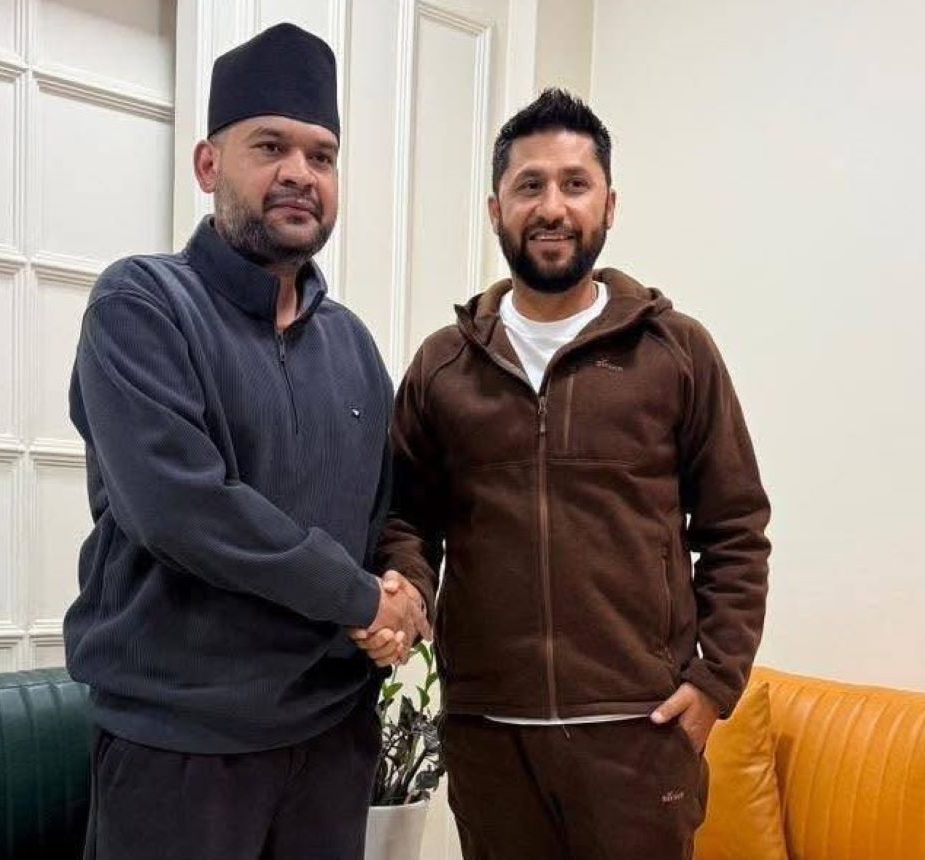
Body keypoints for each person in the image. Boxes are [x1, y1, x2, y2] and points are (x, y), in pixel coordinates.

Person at [375, 88, 772, 859]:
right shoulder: (443, 366)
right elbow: (405, 519)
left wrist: (714, 684)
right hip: (491, 742)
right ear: (496, 208)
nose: (552, 207)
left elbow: (735, 530)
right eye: (530, 185)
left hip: (638, 737)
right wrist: (408, 587)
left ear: (609, 205)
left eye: (574, 184)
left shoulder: (676, 353)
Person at [64, 23, 429, 859]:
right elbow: (183, 510)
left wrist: (405, 590)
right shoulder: (141, 304)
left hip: (332, 742)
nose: (300, 172)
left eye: (322, 156)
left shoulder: (353, 345)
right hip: (180, 749)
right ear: (208, 165)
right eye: (270, 146)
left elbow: (389, 509)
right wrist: (360, 599)